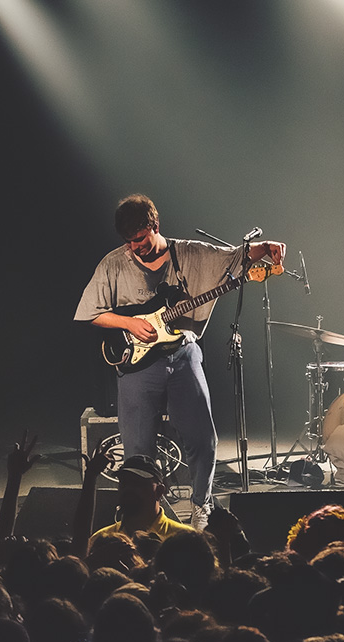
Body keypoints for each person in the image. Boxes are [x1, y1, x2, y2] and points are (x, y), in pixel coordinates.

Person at [74, 194, 285, 529]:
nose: (135, 248)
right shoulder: (113, 264)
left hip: (183, 355)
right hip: (138, 366)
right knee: (137, 451)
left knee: (203, 440)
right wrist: (129, 323)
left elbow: (232, 256)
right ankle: (139, 518)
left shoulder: (189, 253)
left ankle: (201, 505)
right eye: (129, 242)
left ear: (155, 226)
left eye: (141, 239)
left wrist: (265, 247)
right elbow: (90, 314)